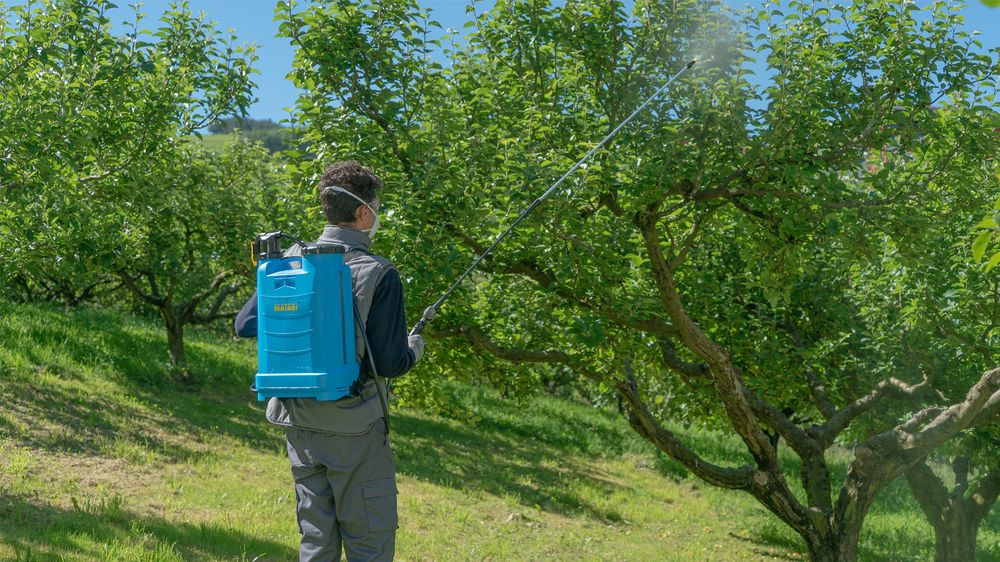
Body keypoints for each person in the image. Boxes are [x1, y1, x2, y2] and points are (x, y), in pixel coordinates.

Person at [234, 160, 424, 561]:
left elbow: (246, 324)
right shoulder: (379, 273)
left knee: (316, 541)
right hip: (354, 430)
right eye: (376, 205)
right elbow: (390, 362)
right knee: (368, 541)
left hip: (299, 426)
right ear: (362, 212)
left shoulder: (287, 260)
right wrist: (414, 348)